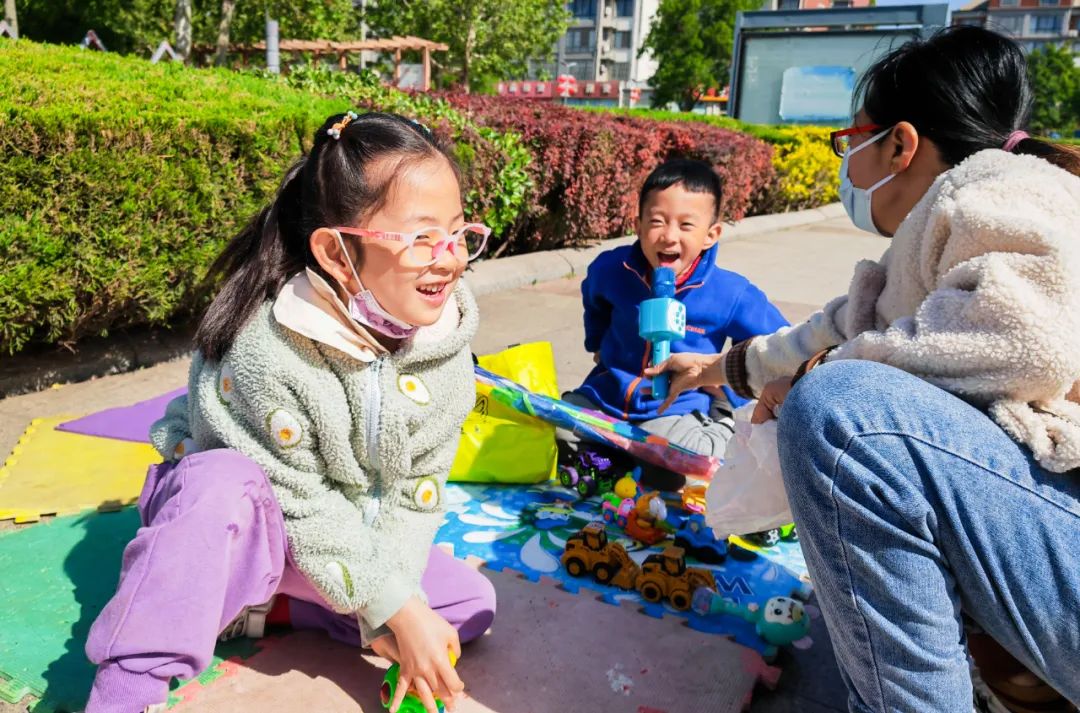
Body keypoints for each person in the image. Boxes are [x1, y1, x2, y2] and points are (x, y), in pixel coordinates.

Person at [646, 27, 1080, 713]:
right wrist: (722, 369)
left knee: (841, 413)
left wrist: (819, 378)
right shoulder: (936, 229)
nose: (849, 163)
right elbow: (839, 328)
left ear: (900, 145)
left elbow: (1023, 343)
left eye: (852, 141)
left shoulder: (1002, 193)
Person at [83, 112, 496, 713]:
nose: (450, 259)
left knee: (466, 607)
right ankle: (130, 681)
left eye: (459, 234)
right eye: (422, 238)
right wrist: (393, 609)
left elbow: (415, 496)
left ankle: (261, 608)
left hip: (337, 539)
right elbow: (295, 500)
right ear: (335, 250)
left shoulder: (445, 348)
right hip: (236, 526)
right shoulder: (267, 347)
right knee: (221, 484)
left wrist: (398, 603)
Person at [563, 158, 788, 491]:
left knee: (683, 464)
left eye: (685, 226)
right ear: (637, 223)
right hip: (607, 395)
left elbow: (777, 344)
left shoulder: (730, 292)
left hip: (674, 407)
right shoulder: (611, 269)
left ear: (711, 234)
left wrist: (731, 390)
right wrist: (596, 343)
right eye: (656, 221)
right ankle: (616, 461)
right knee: (561, 425)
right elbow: (594, 302)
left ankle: (722, 421)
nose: (668, 237)